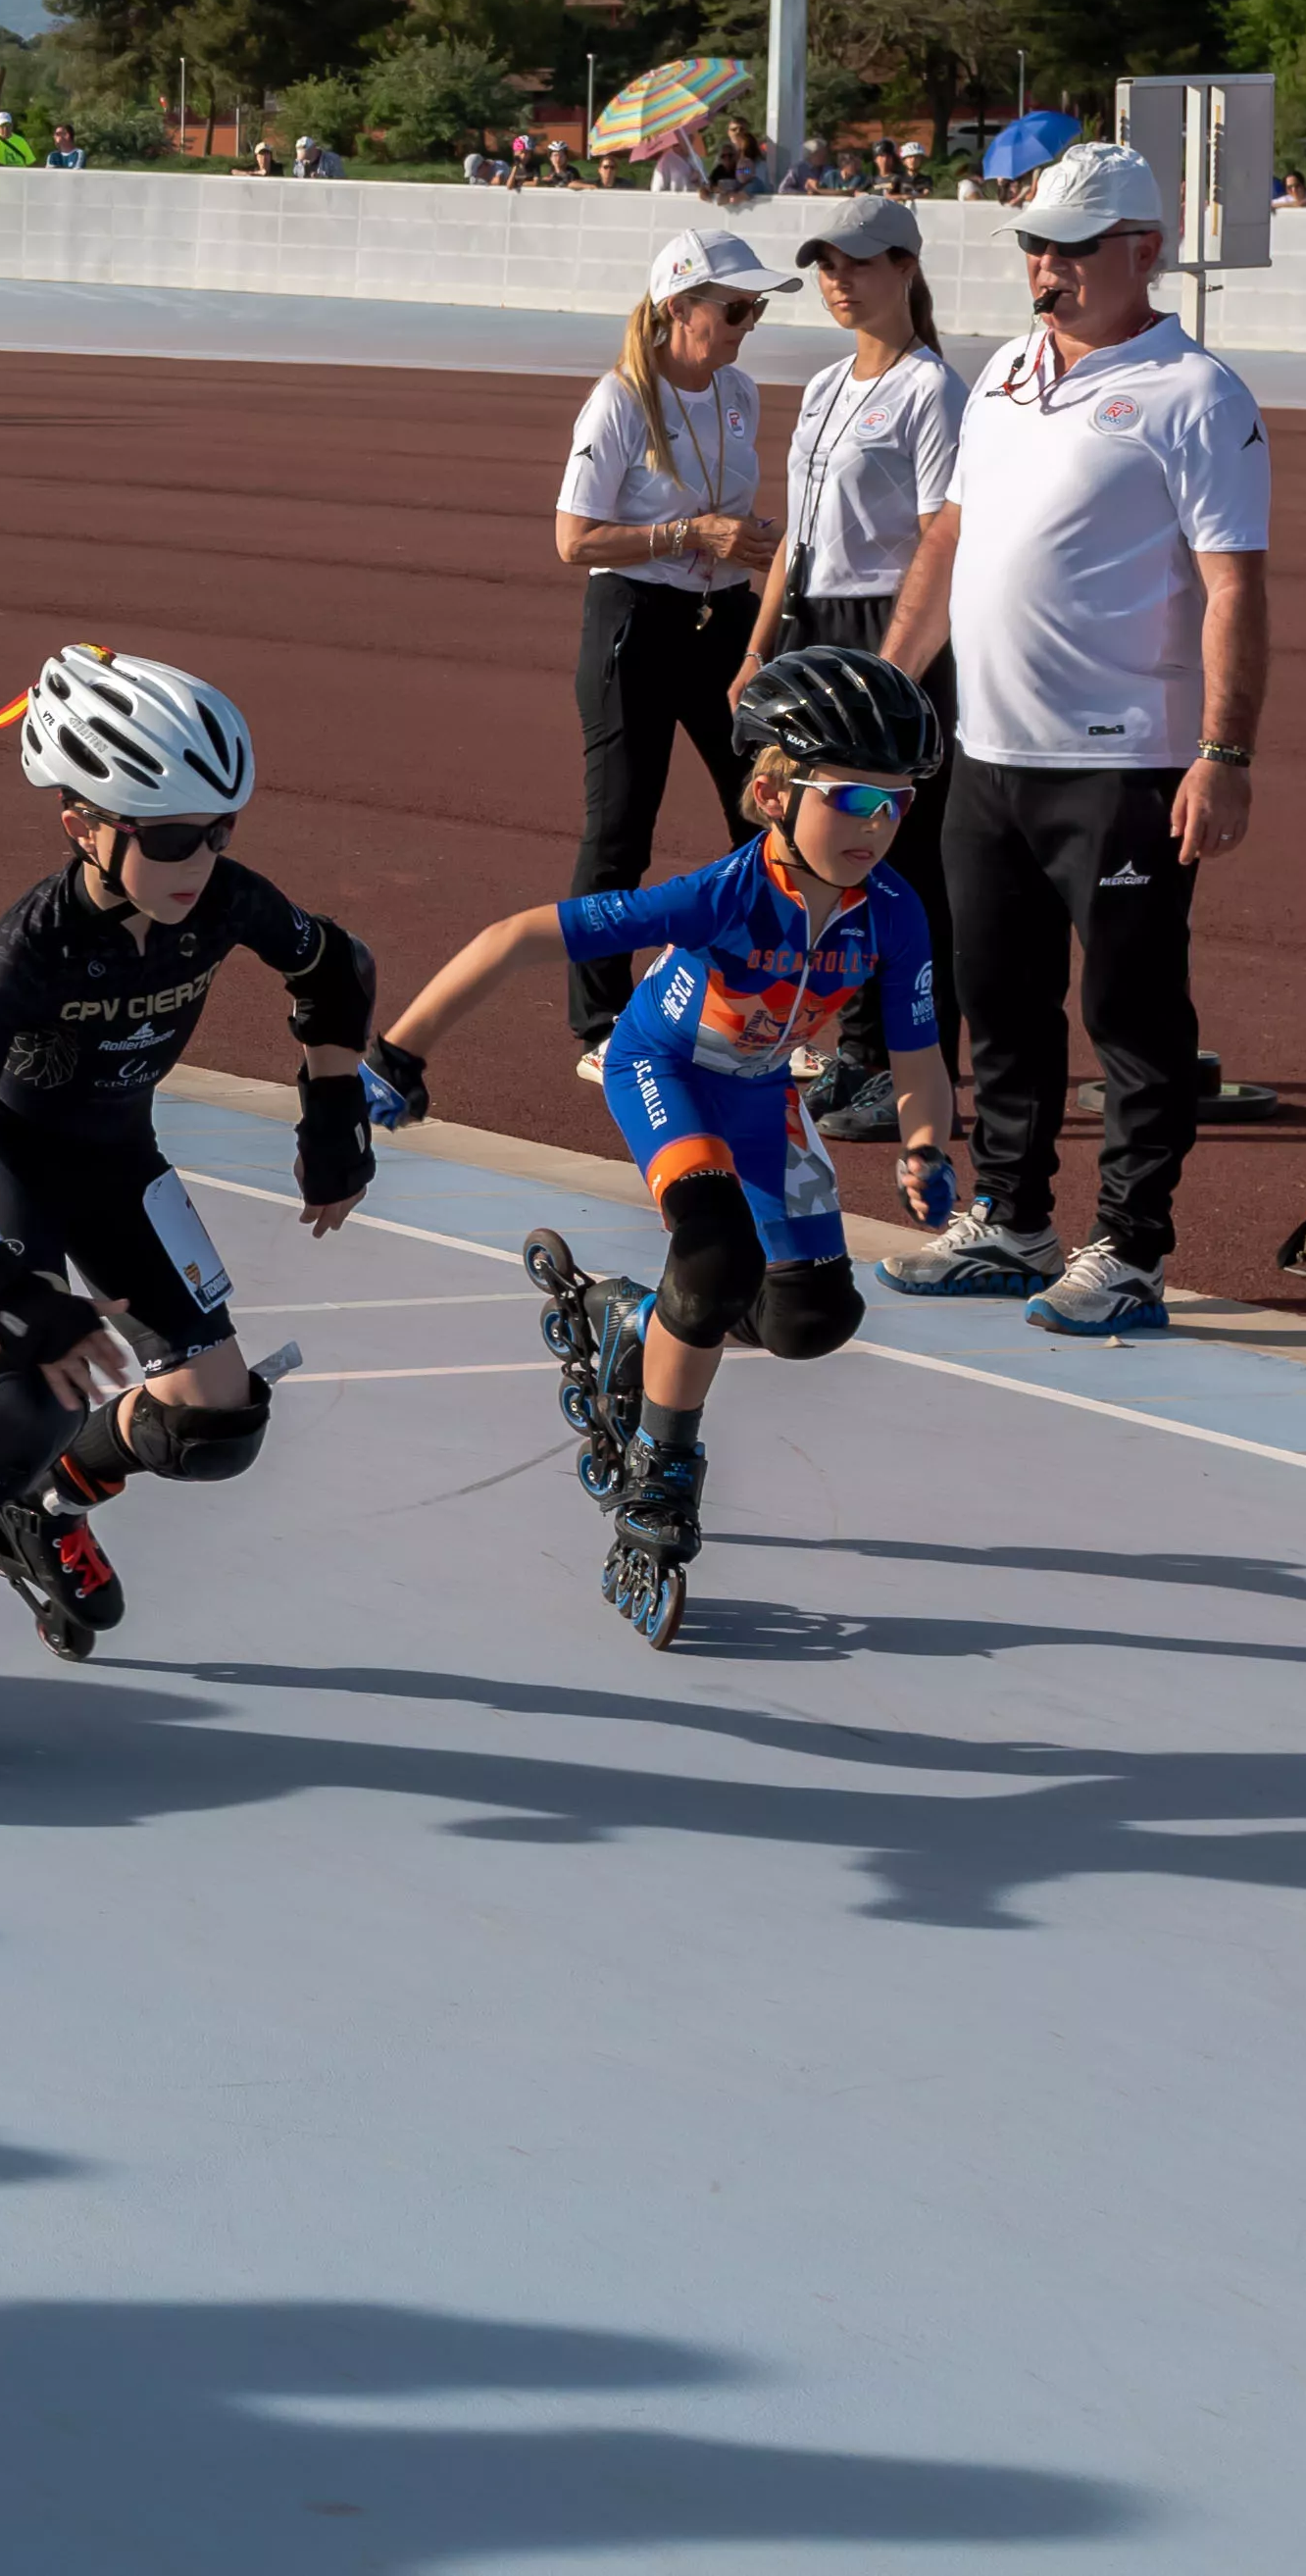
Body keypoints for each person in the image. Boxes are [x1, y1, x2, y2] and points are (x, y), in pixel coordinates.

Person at [0, 646, 380, 1773]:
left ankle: (45, 1507)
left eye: (218, 828)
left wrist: (330, 1112)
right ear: (79, 821)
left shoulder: (225, 901)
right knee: (25, 1391)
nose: (200, 859)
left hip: (118, 1160)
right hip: (15, 1163)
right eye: (168, 836)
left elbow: (334, 968)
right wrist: (0, 1284)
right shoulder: (34, 942)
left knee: (217, 1428)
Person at [356, 649, 954, 1643]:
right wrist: (396, 1053)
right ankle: (659, 1472)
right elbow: (517, 937)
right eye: (852, 798)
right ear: (770, 790)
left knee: (810, 1322)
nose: (877, 827)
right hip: (664, 1072)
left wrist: (924, 1147)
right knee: (714, 1256)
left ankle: (640, 1324)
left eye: (898, 803)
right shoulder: (724, 894)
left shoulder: (893, 913)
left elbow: (922, 1054)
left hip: (761, 1092)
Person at [875, 138, 1274, 1337]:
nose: (1043, 268)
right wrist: (889, 694)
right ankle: (1009, 1216)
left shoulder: (1197, 395)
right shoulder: (1001, 371)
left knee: (1132, 1013)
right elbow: (946, 542)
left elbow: (1235, 590)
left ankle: (1133, 1249)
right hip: (987, 757)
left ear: (1141, 252)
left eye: (1069, 249)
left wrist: (1225, 753)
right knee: (995, 1002)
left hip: (1122, 765)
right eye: (1032, 246)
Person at [736, 193, 964, 1140]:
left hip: (888, 633)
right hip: (810, 627)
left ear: (905, 267)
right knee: (814, 858)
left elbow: (937, 542)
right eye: (825, 264)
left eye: (858, 263)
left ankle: (908, 1061)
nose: (837, 280)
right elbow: (796, 534)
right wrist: (756, 649)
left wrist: (890, 673)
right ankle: (850, 1049)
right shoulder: (827, 385)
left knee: (898, 863)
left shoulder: (932, 390)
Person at [554, 226, 785, 1069]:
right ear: (678, 306)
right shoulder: (619, 398)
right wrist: (691, 532)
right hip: (634, 623)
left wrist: (747, 539)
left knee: (763, 813)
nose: (748, 321)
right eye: (734, 306)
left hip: (722, 622)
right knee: (619, 829)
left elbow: (723, 521)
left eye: (755, 307)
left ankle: (749, 1005)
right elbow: (572, 540)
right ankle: (600, 1024)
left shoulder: (739, 392)